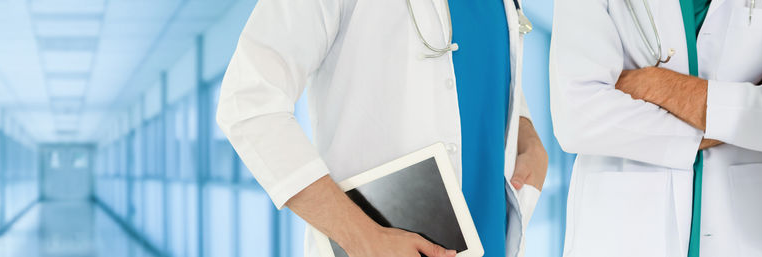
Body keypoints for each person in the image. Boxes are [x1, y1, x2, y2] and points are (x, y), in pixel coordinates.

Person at [214, 0, 549, 256]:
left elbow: (486, 65)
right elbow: (249, 100)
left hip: (491, 236)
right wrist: (362, 237)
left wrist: (527, 131)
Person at [549, 0, 762, 255]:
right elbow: (578, 116)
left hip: (757, 225)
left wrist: (658, 85)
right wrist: (741, 116)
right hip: (626, 225)